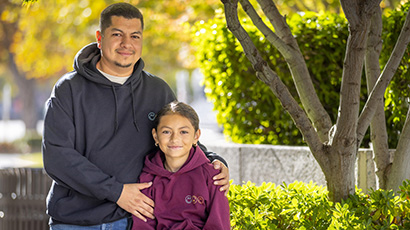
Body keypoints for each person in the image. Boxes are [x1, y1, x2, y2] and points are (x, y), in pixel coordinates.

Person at [42, 3, 229, 229]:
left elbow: (179, 135)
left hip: (134, 221)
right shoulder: (68, 90)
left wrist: (214, 161)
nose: (126, 44)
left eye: (135, 36)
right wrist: (117, 192)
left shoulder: (157, 90)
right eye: (117, 34)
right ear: (100, 38)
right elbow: (57, 157)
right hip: (76, 222)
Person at [132, 101, 231, 230]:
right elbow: (143, 225)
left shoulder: (213, 176)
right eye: (167, 132)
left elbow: (219, 225)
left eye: (183, 132)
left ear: (196, 136)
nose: (175, 139)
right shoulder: (147, 178)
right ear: (155, 136)